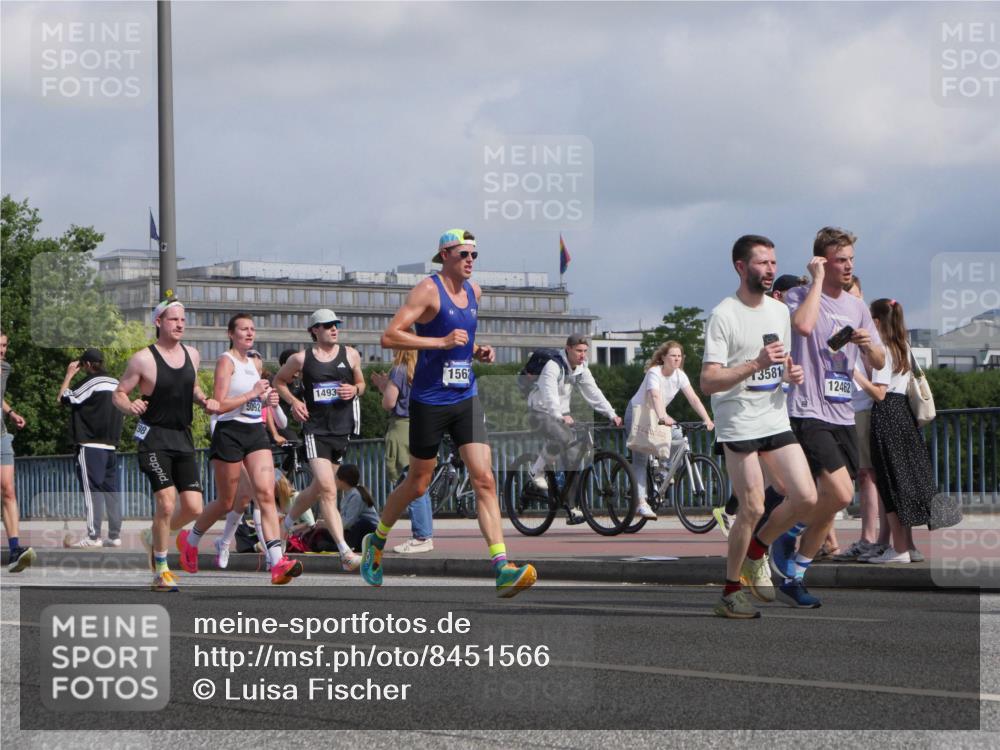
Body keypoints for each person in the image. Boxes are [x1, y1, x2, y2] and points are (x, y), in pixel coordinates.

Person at [360, 228, 536, 598]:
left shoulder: (475, 292)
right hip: (429, 401)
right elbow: (389, 336)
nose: (470, 260)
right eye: (463, 254)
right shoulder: (427, 290)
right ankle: (376, 541)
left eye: (474, 255)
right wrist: (439, 342)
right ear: (445, 255)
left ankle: (502, 566)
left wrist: (477, 350)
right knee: (417, 483)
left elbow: (461, 339)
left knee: (484, 479)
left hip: (465, 397)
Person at [701, 234, 815, 618]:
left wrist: (789, 374)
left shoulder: (779, 312)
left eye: (773, 263)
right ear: (741, 267)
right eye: (762, 263)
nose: (770, 270)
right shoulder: (724, 315)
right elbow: (709, 381)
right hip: (738, 421)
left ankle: (757, 551)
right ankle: (730, 591)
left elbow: (780, 363)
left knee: (806, 497)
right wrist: (756, 363)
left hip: (773, 415)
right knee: (752, 507)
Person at [769, 227, 886, 601]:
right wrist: (817, 280)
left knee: (835, 500)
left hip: (842, 413)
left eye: (851, 259)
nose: (849, 266)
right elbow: (802, 326)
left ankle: (795, 574)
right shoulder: (798, 295)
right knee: (839, 492)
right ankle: (781, 534)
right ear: (822, 261)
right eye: (841, 260)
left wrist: (867, 345)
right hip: (808, 409)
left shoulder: (857, 307)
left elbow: (879, 360)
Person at [176, 313, 303, 584]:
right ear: (231, 334)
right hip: (229, 433)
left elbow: (254, 402)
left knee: (266, 494)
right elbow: (219, 404)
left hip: (255, 433)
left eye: (252, 329)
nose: (249, 333)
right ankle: (191, 540)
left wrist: (266, 400)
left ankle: (277, 562)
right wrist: (251, 394)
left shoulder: (254, 364)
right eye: (243, 329)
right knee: (227, 501)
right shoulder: (226, 361)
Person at [113, 298, 220, 592]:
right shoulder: (143, 359)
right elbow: (118, 393)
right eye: (174, 319)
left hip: (182, 436)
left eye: (183, 320)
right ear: (158, 322)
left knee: (194, 507)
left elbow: (193, 386)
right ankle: (161, 569)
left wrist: (203, 399)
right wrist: (129, 405)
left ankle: (154, 534)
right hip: (153, 437)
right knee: (166, 501)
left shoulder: (192, 355)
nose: (180, 324)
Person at [274, 309, 365, 571]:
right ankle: (345, 552)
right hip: (315, 430)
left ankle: (285, 525)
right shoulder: (301, 359)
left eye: (336, 324)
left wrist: (355, 389)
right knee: (328, 489)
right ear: (315, 330)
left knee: (317, 488)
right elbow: (279, 381)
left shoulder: (351, 354)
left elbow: (361, 384)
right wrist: (294, 401)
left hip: (342, 429)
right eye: (327, 325)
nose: (334, 329)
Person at [864, 298, 934, 564]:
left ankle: (900, 548)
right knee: (904, 478)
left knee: (889, 481)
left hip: (886, 415)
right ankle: (908, 546)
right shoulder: (904, 345)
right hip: (904, 414)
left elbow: (879, 393)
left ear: (876, 321)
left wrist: (853, 375)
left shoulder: (882, 349)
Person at [525, 334, 623, 523]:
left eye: (585, 351)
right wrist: (558, 415)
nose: (582, 355)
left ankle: (571, 507)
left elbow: (594, 393)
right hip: (539, 411)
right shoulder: (553, 366)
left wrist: (611, 414)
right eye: (579, 351)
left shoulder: (581, 368)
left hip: (562, 414)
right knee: (561, 437)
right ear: (568, 348)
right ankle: (536, 470)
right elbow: (549, 395)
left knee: (575, 456)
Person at [834, 277, 892, 562]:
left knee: (870, 475)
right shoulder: (839, 327)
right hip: (846, 408)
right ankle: (870, 538)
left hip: (865, 407)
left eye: (855, 297)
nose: (852, 303)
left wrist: (862, 349)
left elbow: (878, 375)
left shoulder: (869, 331)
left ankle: (872, 538)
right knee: (862, 475)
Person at [625, 340, 713, 520]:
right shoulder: (654, 372)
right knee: (641, 458)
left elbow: (693, 398)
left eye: (679, 356)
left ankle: (663, 468)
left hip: (658, 415)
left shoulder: (680, 376)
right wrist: (662, 417)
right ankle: (641, 503)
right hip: (638, 413)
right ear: (663, 357)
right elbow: (655, 396)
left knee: (678, 436)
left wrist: (707, 419)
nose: (677, 359)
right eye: (673, 355)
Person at [58, 348, 125, 548]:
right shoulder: (115, 383)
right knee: (111, 491)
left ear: (87, 364)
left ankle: (93, 536)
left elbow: (62, 398)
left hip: (90, 444)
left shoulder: (91, 382)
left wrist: (69, 374)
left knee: (91, 490)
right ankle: (114, 536)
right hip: (111, 445)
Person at [371, 348, 435, 554]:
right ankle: (424, 534)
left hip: (403, 428)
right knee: (420, 483)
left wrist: (383, 387)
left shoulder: (399, 371)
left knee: (411, 484)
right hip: (424, 426)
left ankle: (421, 536)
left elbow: (389, 402)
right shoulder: (426, 369)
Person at [1, 331, 35, 573]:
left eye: (4, 345)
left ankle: (15, 550)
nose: (2, 350)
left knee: (8, 490)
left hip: (1, 435)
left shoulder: (5, 368)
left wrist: (11, 413)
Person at [336, 464, 379, 552]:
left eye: (336, 478)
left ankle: (347, 546)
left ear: (343, 480)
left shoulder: (356, 495)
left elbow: (347, 523)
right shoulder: (347, 495)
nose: (335, 480)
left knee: (362, 523)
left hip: (370, 534)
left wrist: (328, 526)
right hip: (356, 532)